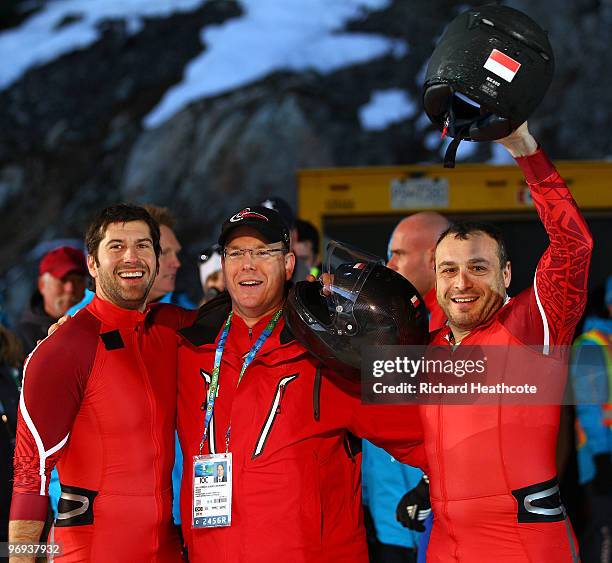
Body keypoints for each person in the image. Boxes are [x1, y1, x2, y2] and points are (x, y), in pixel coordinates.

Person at [176, 205, 427, 562]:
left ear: (289, 264)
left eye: (263, 252)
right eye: (236, 253)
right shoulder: (189, 347)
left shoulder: (332, 350)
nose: (248, 264)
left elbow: (426, 434)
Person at [422, 123, 593, 561]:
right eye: (448, 270)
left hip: (521, 544)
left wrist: (525, 150)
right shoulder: (430, 346)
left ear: (506, 275)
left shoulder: (532, 324)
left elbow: (573, 247)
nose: (461, 282)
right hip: (444, 544)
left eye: (478, 267)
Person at [10, 204, 194, 562]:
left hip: (165, 549)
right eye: (116, 246)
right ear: (92, 263)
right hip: (91, 550)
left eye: (143, 245)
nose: (132, 257)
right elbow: (30, 475)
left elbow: (246, 314)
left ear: (155, 260)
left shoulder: (173, 327)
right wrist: (19, 558)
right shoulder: (65, 347)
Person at [364, 212, 449, 563]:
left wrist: (429, 487)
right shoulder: (389, 321)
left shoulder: (459, 327)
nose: (389, 264)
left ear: (432, 258)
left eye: (399, 253)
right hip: (387, 513)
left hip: (434, 518)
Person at [570, 275, 611, 563]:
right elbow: (588, 404)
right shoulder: (591, 343)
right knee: (604, 535)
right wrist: (601, 456)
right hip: (602, 462)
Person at [15, 246, 87, 354]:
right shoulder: (19, 341)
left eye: (78, 281)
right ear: (42, 284)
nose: (70, 288)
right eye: (62, 280)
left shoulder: (97, 321)